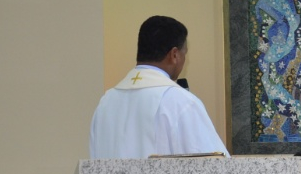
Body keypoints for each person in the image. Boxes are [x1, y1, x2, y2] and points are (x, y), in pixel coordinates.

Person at [89, 15, 228, 159]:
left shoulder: (106, 103)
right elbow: (215, 168)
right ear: (174, 55)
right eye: (184, 53)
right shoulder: (180, 102)